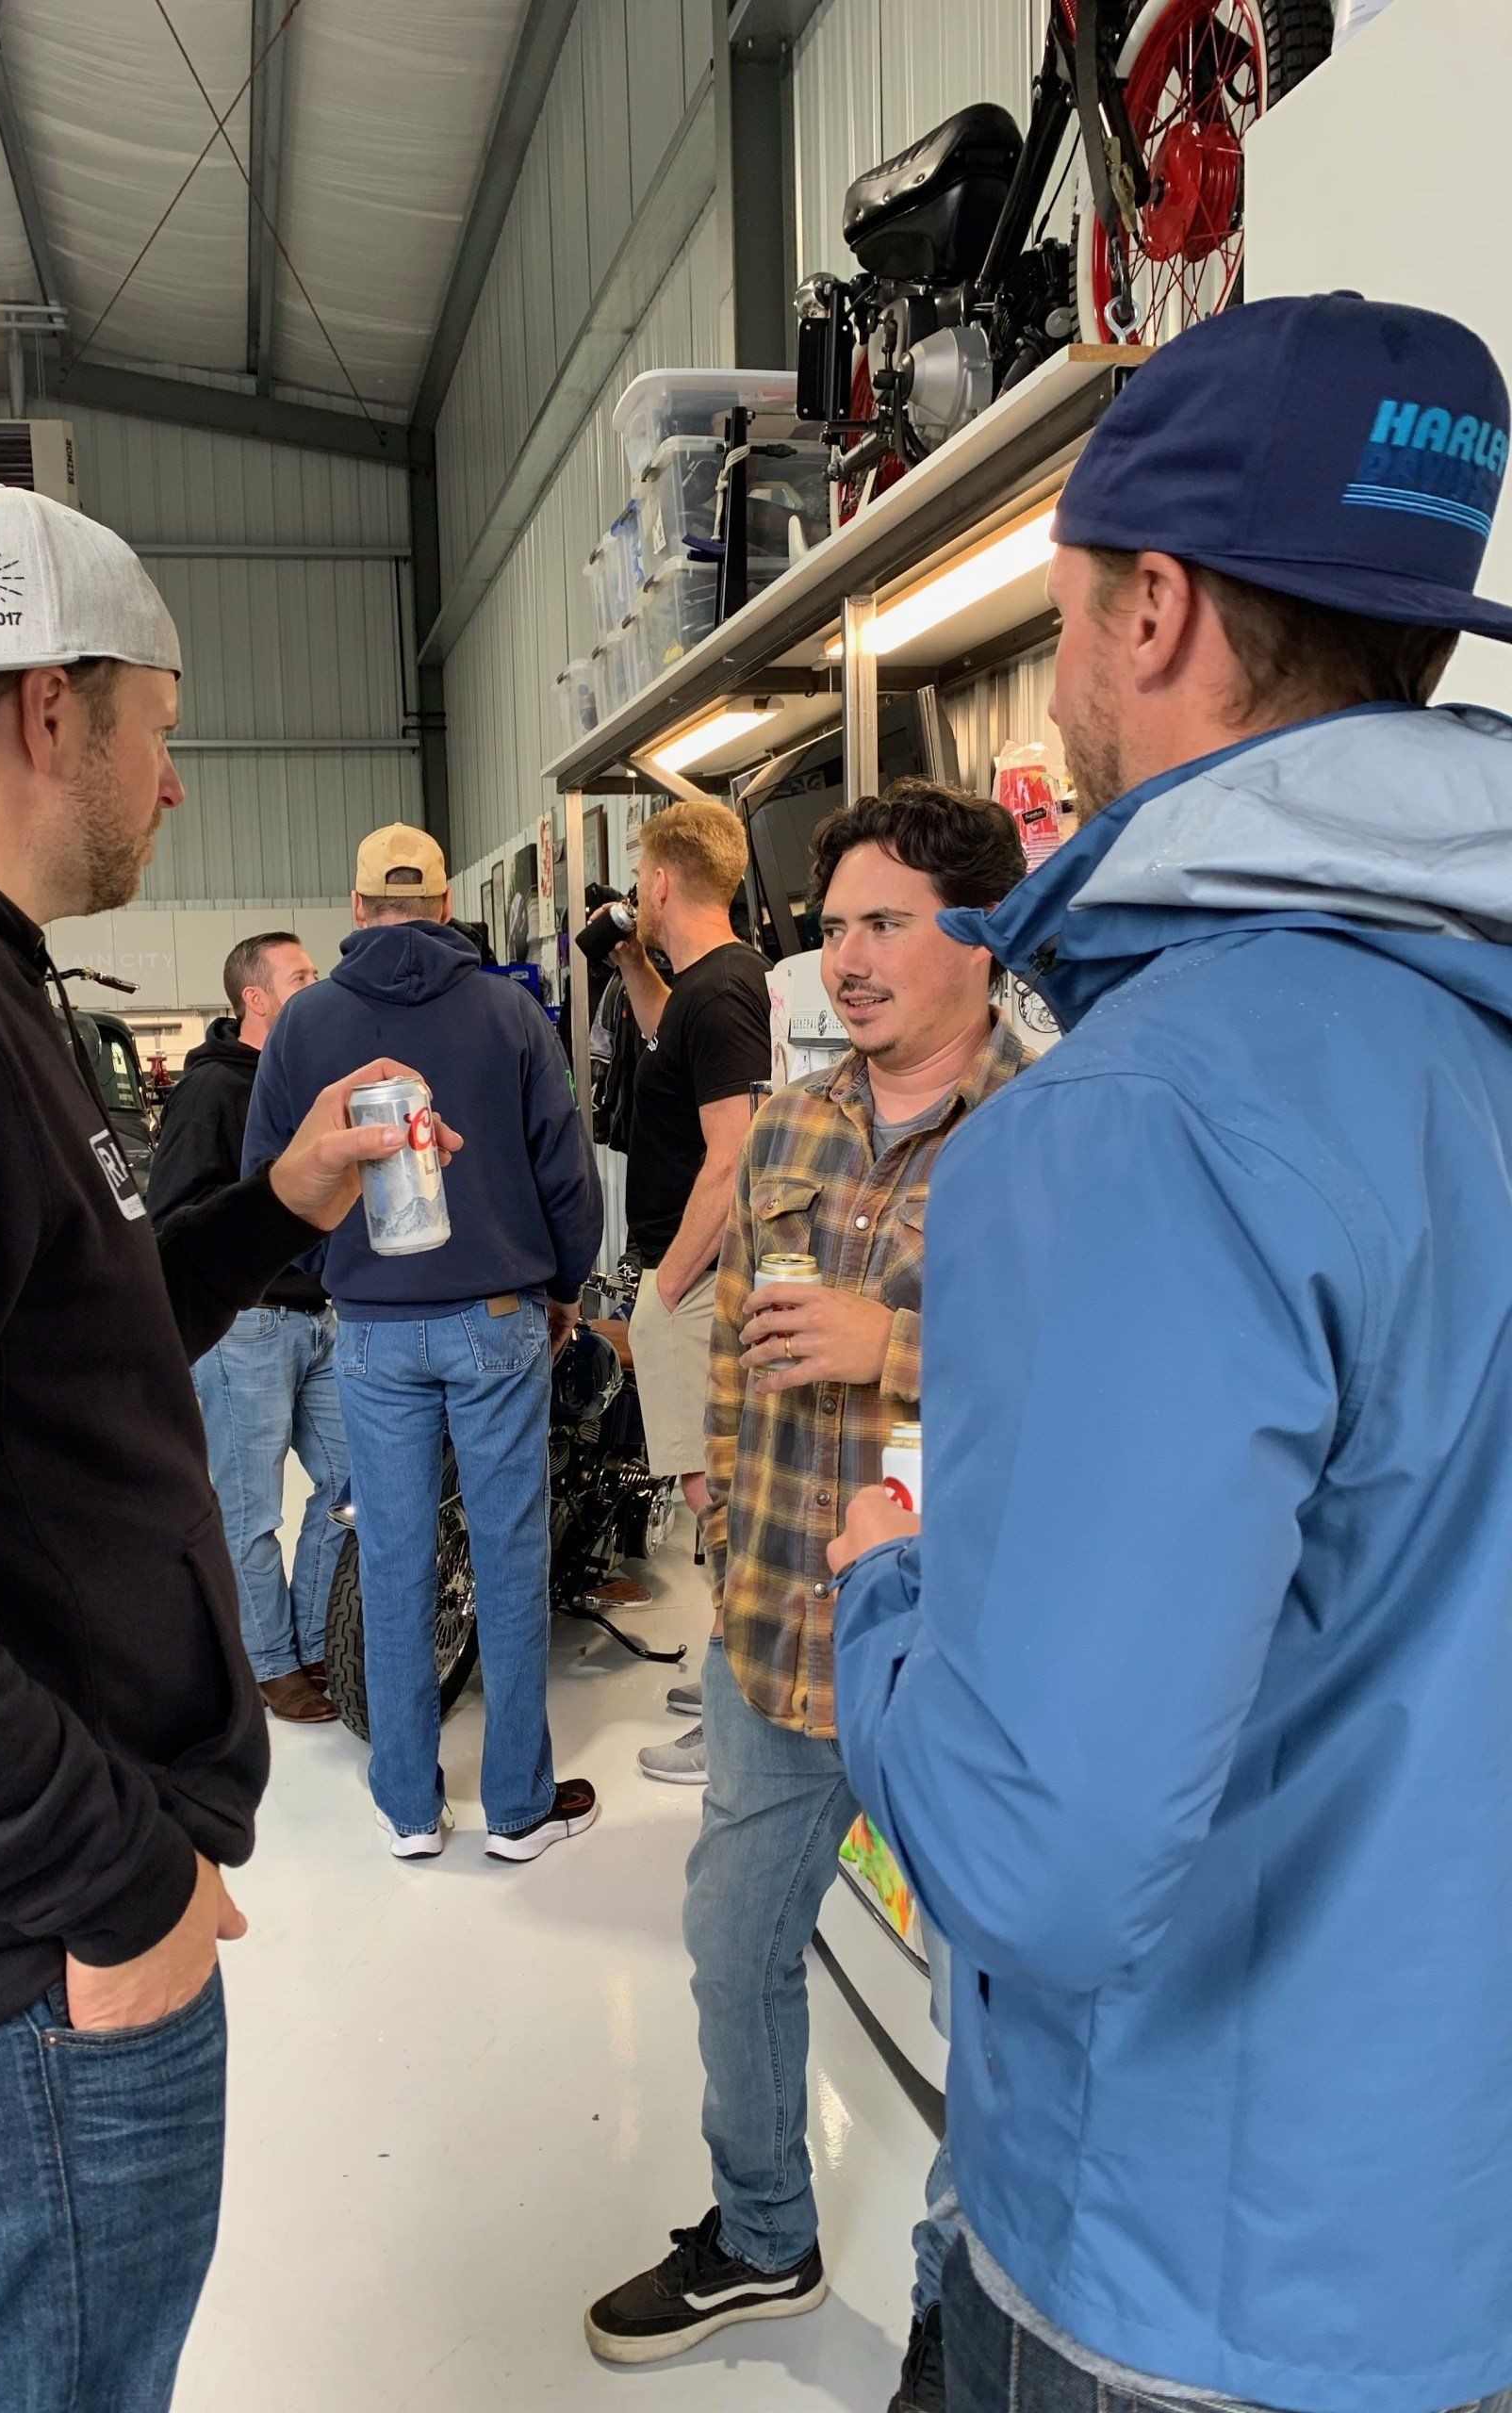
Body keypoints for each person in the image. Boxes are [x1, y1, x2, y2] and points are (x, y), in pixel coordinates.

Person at [0, 487, 457, 2410]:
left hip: (6, 1951)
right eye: (165, 728)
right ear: (58, 711)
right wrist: (116, 1877)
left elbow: (60, 1343)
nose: (176, 783)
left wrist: (275, 1203)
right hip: (11, 1977)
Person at [831, 294, 1512, 2413]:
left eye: (1054, 620)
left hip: (1192, 2281)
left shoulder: (1146, 1110)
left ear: (1155, 608)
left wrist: (885, 1598)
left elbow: (1044, 1854)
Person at [587, 784, 1029, 2368]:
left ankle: (959, 2318)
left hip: (974, 1664)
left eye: (884, 923)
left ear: (979, 933)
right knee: (729, 1946)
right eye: (831, 925)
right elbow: (736, 1362)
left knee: (1003, 2022)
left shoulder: (1058, 1134)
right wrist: (714, 1525)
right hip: (779, 1635)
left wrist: (896, 1346)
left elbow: (1108, 1390)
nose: (846, 958)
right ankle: (763, 2236)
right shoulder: (784, 1119)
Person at [244, 824, 605, 1863]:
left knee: (394, 1554)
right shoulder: (510, 1010)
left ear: (356, 912)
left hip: (370, 1328)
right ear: (448, 905)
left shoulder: (307, 1022)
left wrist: (342, 1278)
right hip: (497, 1318)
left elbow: (270, 1176)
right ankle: (518, 1806)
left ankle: (407, 1805)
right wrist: (562, 1285)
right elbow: (564, 1172)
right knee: (507, 1553)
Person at [602, 801, 772, 1784]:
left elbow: (735, 1152)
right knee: (715, 1494)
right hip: (692, 1279)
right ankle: (722, 1674)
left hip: (694, 1284)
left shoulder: (721, 995)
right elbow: (673, 1038)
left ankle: (736, 1722)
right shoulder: (712, 985)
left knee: (718, 1502)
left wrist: (664, 1291)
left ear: (663, 880)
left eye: (641, 874)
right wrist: (630, 964)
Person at [149, 932, 353, 1726]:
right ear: (255, 999)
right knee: (249, 1508)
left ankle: (311, 1640)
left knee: (350, 1487)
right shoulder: (210, 1095)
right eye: (301, 975)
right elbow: (176, 1219)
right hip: (249, 1328)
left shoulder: (304, 1085)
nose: (317, 983)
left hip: (317, 1320)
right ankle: (269, 1664)